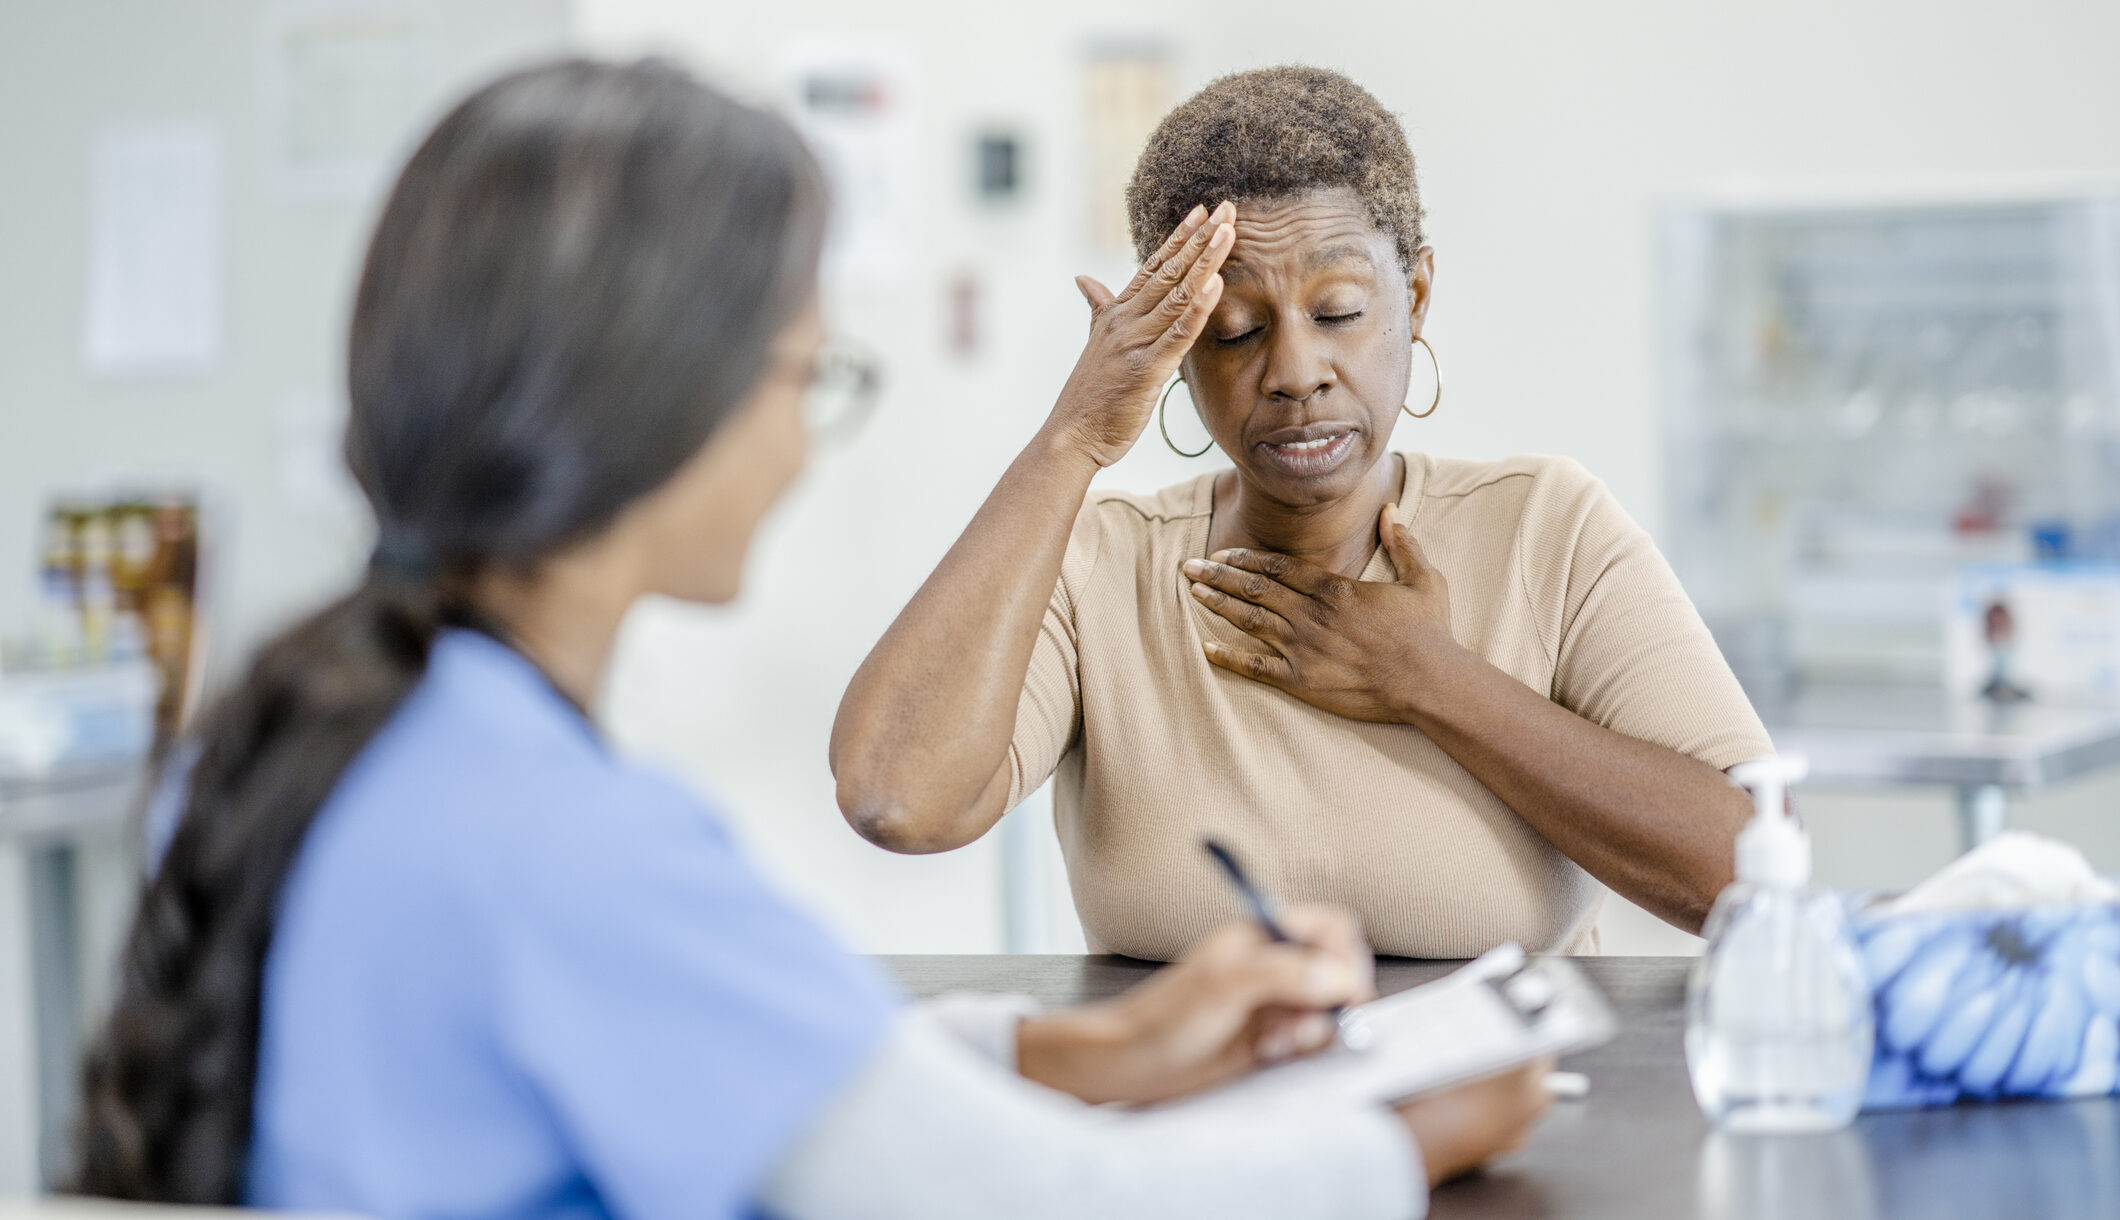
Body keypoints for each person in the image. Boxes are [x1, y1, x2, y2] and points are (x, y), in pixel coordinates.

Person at [70, 59, 1548, 1220]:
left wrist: (1093, 1050)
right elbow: (1045, 1200)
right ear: (662, 401)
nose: (802, 436)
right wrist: (1412, 1136)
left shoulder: (348, 746)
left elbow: (769, 1071)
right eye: (804, 371)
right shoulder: (565, 849)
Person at [832, 66, 1776, 960]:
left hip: (1508, 1113)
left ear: (1413, 297)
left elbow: (1752, 876)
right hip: (1193, 1119)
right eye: (1236, 330)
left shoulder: (1546, 528)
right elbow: (897, 798)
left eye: (1338, 311)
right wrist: (1072, 440)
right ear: (1180, 343)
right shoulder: (1103, 566)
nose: (1292, 372)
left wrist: (1428, 678)